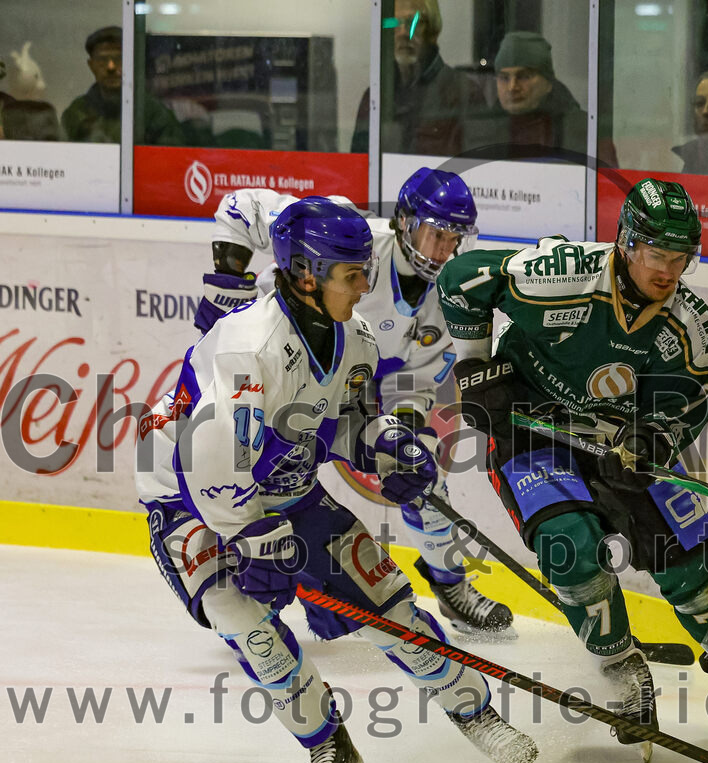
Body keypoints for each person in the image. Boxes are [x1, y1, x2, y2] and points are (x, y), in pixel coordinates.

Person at [135, 198, 539, 763]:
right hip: (190, 496)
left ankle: (478, 716)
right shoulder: (248, 349)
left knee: (388, 606)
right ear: (306, 274)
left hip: (282, 483)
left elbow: (345, 421)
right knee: (243, 618)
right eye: (351, 274)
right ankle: (328, 747)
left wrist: (387, 447)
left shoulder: (354, 340)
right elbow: (211, 466)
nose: (364, 286)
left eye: (363, 271)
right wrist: (254, 542)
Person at [436, 178, 708, 752]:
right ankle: (622, 671)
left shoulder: (690, 323)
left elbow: (694, 400)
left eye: (681, 258)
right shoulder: (560, 273)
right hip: (532, 433)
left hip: (616, 443)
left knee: (685, 559)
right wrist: (475, 366)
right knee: (568, 546)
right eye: (658, 255)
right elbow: (461, 279)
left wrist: (655, 439)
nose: (669, 271)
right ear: (627, 243)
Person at [199, 168, 516, 639]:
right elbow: (242, 206)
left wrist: (402, 437)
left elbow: (414, 381)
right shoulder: (351, 234)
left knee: (422, 476)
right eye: (436, 235)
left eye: (454, 239)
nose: (444, 251)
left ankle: (451, 586)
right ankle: (243, 593)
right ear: (404, 222)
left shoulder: (450, 292)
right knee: (246, 470)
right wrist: (228, 282)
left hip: (346, 378)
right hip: (274, 361)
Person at [350, 0, 484, 155]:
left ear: (432, 30)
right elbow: (359, 165)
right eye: (393, 23)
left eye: (414, 22)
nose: (403, 32)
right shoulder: (374, 98)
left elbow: (477, 166)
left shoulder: (464, 94)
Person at [467, 31, 617, 166]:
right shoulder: (482, 131)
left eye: (524, 76)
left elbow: (608, 183)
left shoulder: (585, 132)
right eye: (504, 78)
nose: (512, 87)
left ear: (548, 83)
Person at [61, 26, 183, 145]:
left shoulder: (154, 113)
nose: (111, 67)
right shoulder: (77, 113)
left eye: (119, 58)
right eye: (102, 59)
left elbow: (168, 155)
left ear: (132, 62)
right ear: (91, 66)